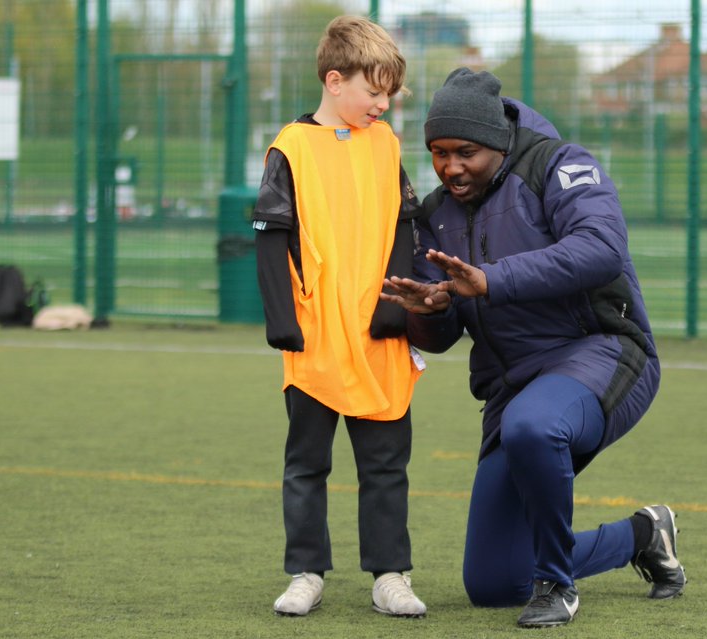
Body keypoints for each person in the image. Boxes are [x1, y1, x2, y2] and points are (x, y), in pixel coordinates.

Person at [380, 68, 685, 629]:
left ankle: (558, 587)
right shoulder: (436, 214)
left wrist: (493, 279)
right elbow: (444, 336)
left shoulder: (562, 166)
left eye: (465, 151)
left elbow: (599, 250)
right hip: (512, 389)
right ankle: (643, 535)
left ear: (496, 141)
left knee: (534, 425)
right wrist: (429, 313)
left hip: (602, 354)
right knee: (494, 583)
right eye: (438, 153)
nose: (451, 167)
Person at [250, 15, 426, 618]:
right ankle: (305, 571)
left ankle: (391, 575)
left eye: (389, 95)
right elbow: (271, 235)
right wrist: (281, 317)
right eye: (374, 92)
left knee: (385, 462)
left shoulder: (387, 146)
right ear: (334, 80)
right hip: (316, 339)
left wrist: (394, 305)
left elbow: (406, 227)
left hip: (379, 337)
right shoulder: (290, 148)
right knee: (307, 462)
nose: (383, 105)